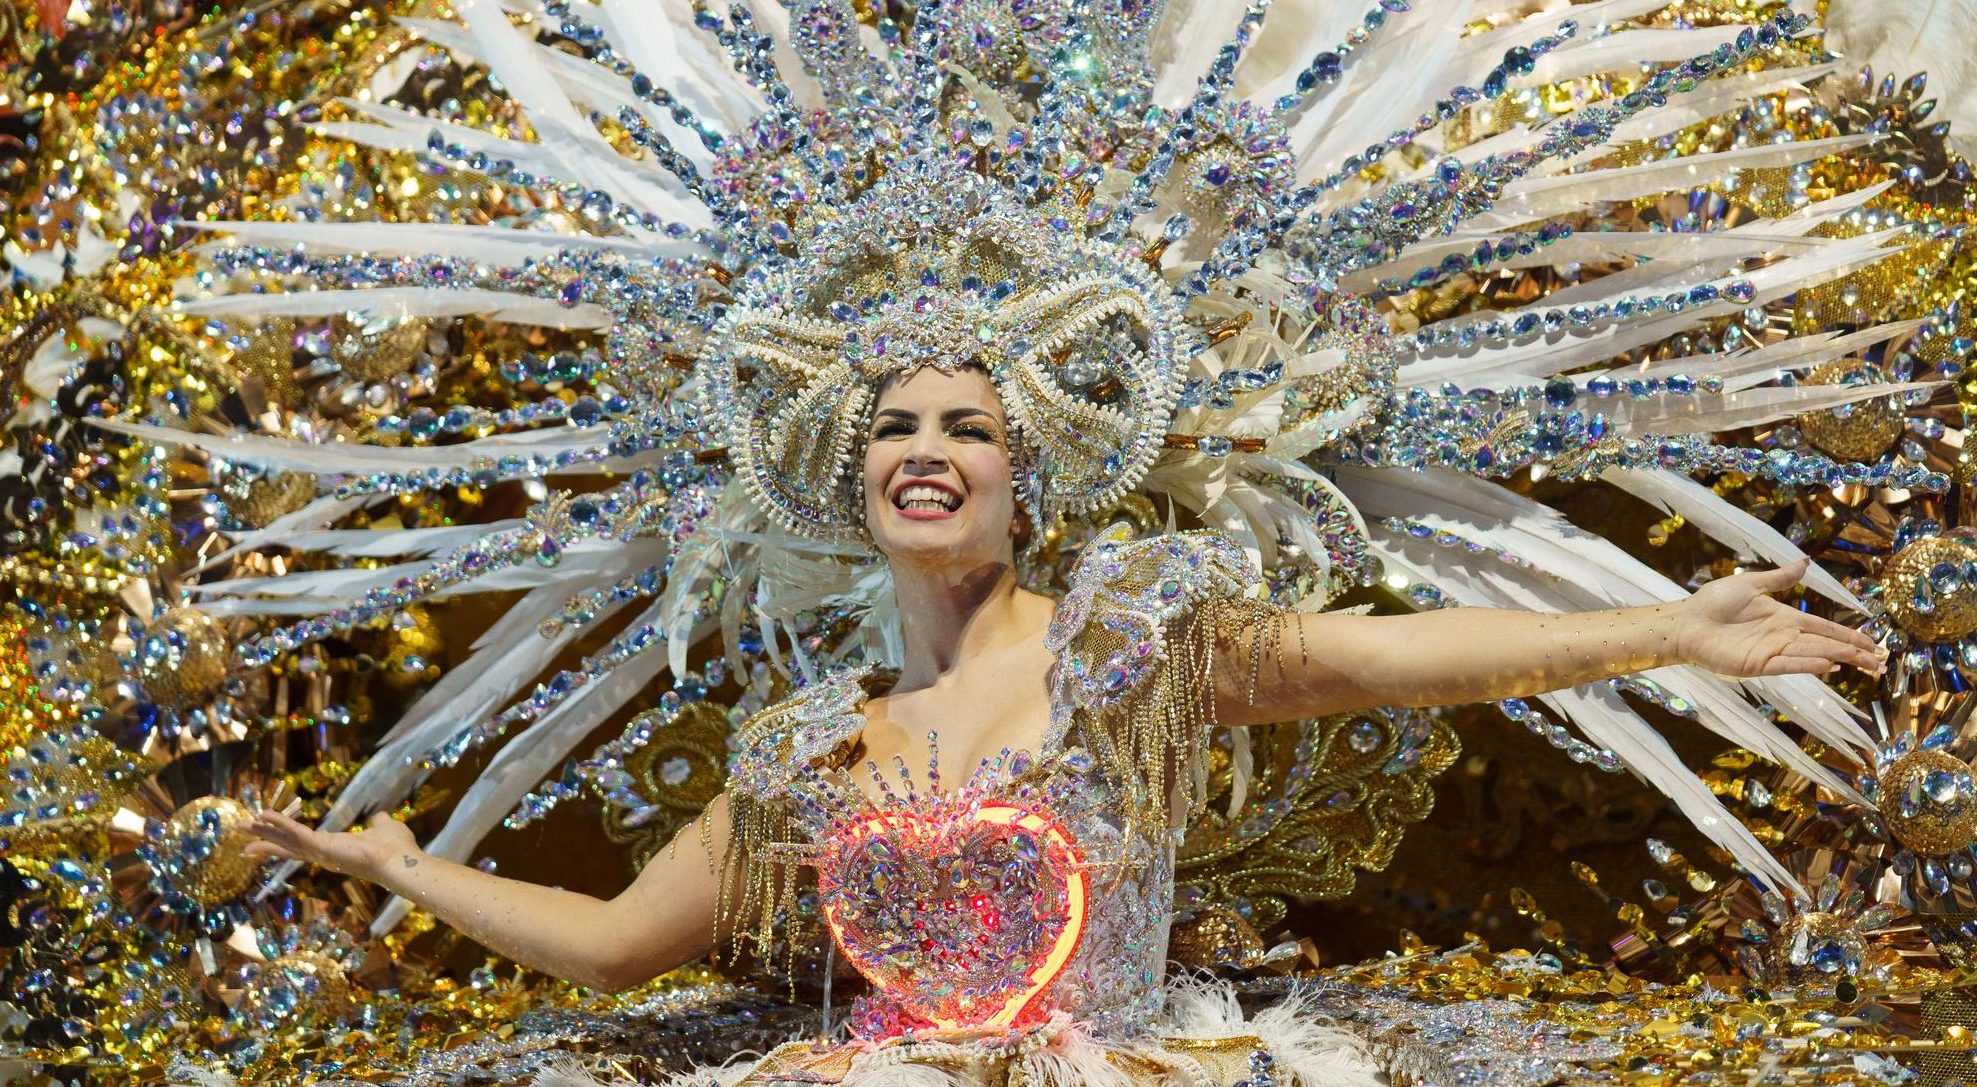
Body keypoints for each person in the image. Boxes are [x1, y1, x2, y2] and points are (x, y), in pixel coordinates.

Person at [244, 363, 1880, 1073]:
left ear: (1029, 481)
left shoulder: (1129, 643)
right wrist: (393, 864)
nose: (926, 445)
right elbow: (611, 944)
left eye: (970, 424)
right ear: (854, 482)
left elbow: (1379, 660)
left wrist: (1670, 624)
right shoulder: (811, 744)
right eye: (894, 425)